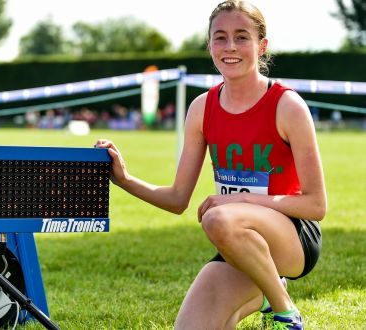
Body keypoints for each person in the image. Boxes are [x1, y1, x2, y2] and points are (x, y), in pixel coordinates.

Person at [95, 1, 326, 329]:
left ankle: (285, 312)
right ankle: (265, 291)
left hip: (292, 237)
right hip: (238, 243)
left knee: (218, 217)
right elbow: (177, 200)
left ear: (262, 46)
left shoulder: (287, 106)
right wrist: (125, 179)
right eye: (220, 37)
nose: (230, 46)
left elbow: (316, 206)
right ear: (209, 45)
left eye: (242, 37)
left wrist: (236, 199)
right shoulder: (202, 108)